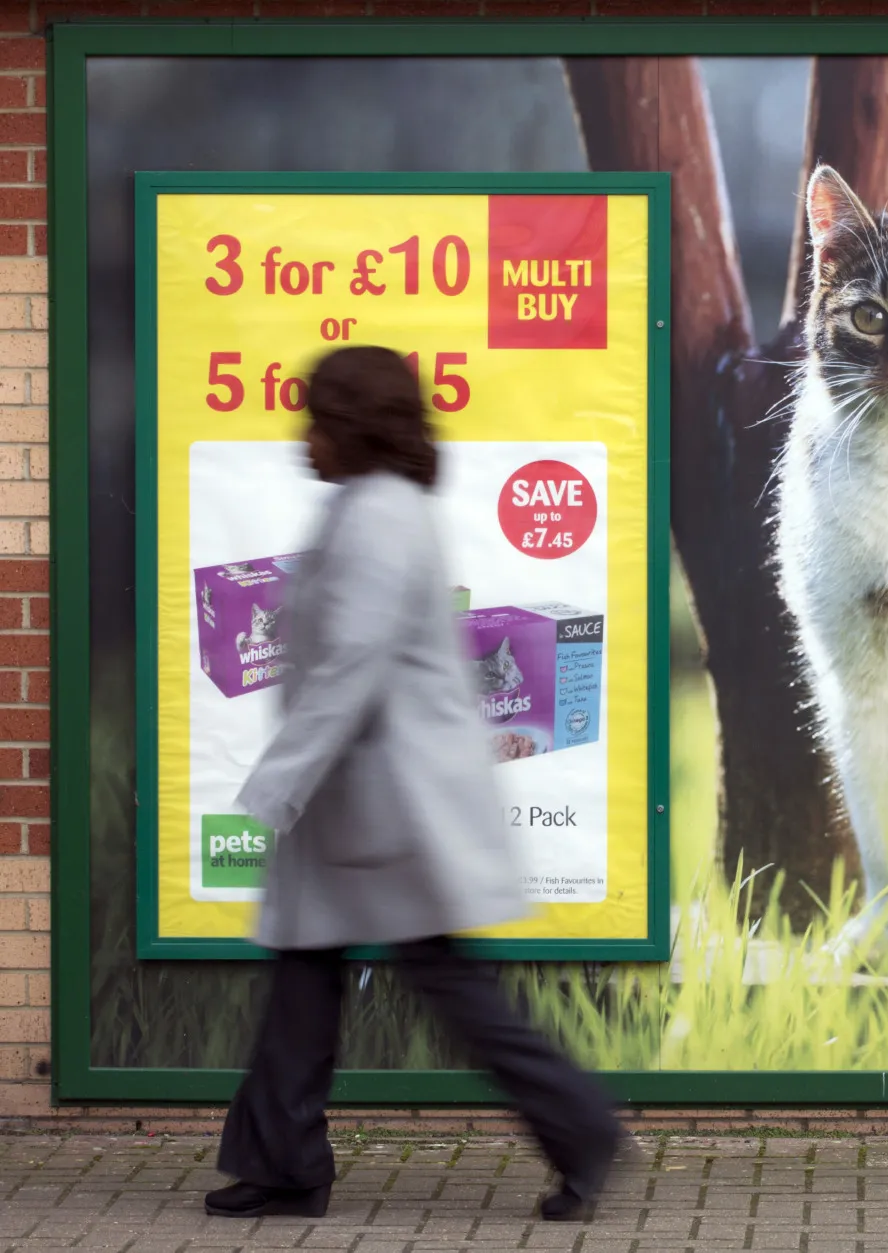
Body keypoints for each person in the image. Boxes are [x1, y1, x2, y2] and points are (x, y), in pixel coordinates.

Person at [205, 345, 620, 1223]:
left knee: (446, 985)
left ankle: (582, 1129)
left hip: (388, 805)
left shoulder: (379, 517)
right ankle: (283, 1162)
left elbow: (350, 666)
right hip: (360, 802)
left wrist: (272, 786)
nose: (302, 438)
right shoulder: (369, 507)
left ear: (351, 426)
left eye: (315, 417)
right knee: (308, 980)